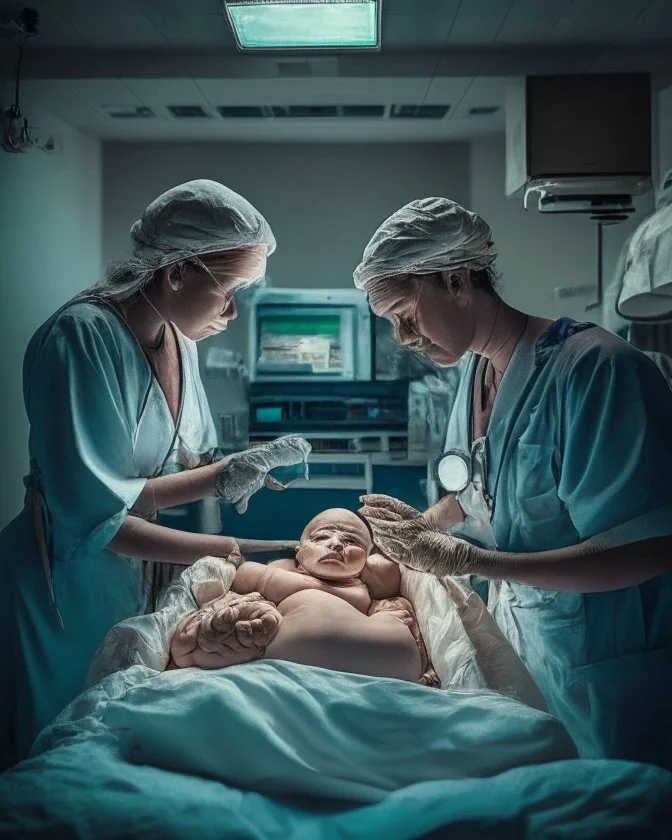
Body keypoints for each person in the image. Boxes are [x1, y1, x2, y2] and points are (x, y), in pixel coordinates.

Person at [352, 197, 672, 769]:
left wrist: (467, 561)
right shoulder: (478, 370)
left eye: (405, 312)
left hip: (603, 667)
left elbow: (647, 547)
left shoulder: (595, 372)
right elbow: (487, 487)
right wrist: (424, 527)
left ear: (455, 279)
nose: (403, 337)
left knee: (619, 806)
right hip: (530, 647)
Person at [0, 179, 309, 767]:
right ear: (176, 274)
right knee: (50, 759)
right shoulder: (80, 338)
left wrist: (233, 467)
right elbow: (97, 519)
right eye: (230, 289)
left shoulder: (177, 340)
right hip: (59, 584)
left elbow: (177, 462)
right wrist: (237, 548)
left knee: (109, 749)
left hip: (128, 580)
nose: (233, 309)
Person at [169, 508, 437, 685]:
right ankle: (214, 641)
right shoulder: (284, 569)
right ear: (298, 551)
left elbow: (394, 572)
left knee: (399, 611)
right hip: (291, 648)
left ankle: (419, 661)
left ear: (367, 558)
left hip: (385, 658)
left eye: (352, 542)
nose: (336, 544)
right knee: (249, 612)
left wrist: (389, 608)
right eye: (321, 537)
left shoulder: (365, 583)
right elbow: (244, 575)